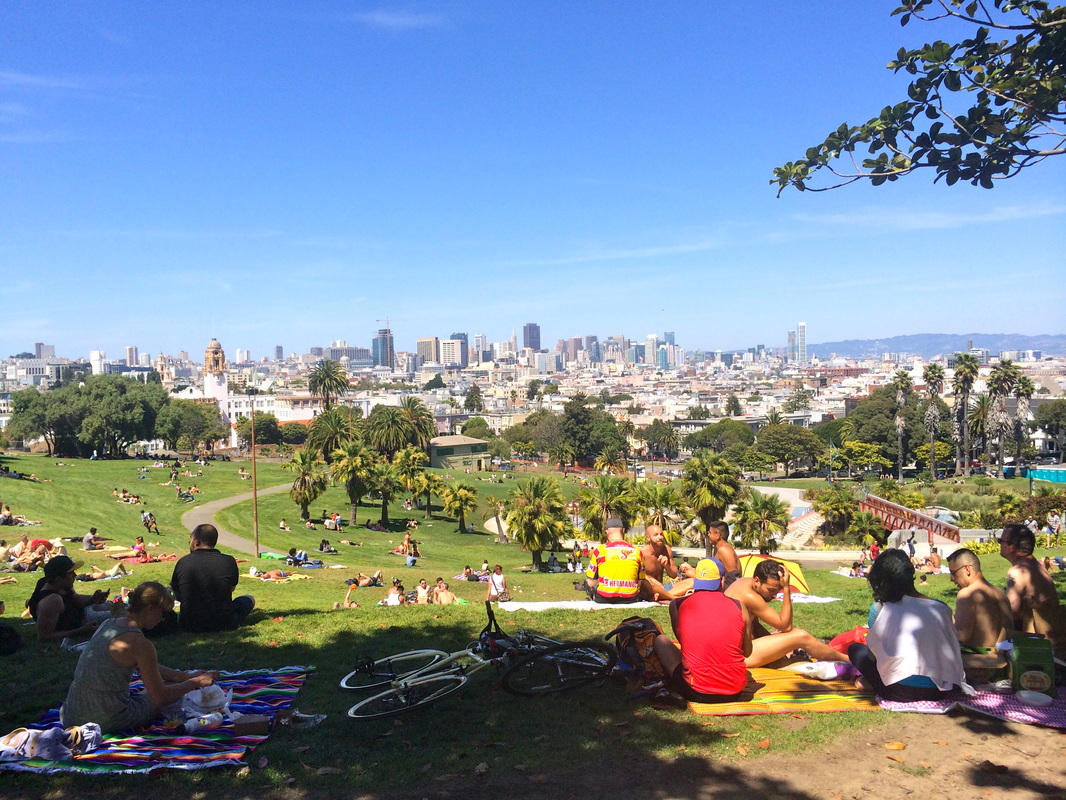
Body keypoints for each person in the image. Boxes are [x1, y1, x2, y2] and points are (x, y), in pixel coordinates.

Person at [60, 581, 217, 733]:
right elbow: (160, 696)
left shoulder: (108, 624)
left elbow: (145, 665)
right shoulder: (140, 643)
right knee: (172, 694)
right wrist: (195, 682)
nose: (163, 619)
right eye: (163, 613)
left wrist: (182, 676)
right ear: (150, 609)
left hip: (71, 714)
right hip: (105, 719)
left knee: (171, 683)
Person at [848, 549, 965, 701]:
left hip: (899, 690)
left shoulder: (880, 610)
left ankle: (870, 682)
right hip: (944, 688)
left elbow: (873, 657)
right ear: (911, 574)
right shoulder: (941, 608)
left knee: (856, 650)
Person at [652, 558, 752, 702]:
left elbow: (684, 641)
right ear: (722, 581)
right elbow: (747, 652)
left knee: (661, 641)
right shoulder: (739, 606)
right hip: (735, 691)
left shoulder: (677, 604)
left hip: (696, 690)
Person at [725, 560, 850, 667]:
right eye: (771, 590)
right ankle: (848, 660)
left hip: (734, 651)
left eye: (778, 590)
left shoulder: (745, 582)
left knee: (788, 643)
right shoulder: (749, 596)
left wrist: (779, 645)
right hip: (737, 657)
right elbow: (786, 626)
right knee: (801, 636)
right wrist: (786, 589)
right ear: (757, 581)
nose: (774, 595)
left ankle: (838, 658)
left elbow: (754, 625)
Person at [170, 524, 255, 633]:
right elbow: (231, 588)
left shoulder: (183, 562)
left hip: (189, 624)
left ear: (197, 541)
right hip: (223, 623)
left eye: (191, 538)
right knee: (248, 599)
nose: (189, 542)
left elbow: (177, 594)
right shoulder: (229, 561)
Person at [999, 523, 1066, 655]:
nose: (999, 543)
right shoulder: (1037, 566)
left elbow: (1013, 614)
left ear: (1012, 547)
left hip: (1037, 645)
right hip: (1053, 638)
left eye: (1001, 541)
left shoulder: (1018, 572)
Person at [27, 555, 114, 643]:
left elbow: (75, 598)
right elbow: (44, 636)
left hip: (81, 611)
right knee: (119, 614)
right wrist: (82, 630)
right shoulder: (51, 601)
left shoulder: (55, 583)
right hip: (82, 621)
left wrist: (92, 599)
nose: (75, 575)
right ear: (59, 578)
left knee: (113, 605)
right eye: (71, 573)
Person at [946, 548, 1013, 651]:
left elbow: (961, 636)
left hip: (980, 661)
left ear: (967, 569)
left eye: (953, 573)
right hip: (1004, 660)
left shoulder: (968, 594)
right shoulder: (1000, 593)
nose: (951, 579)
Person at [584, 518, 646, 604]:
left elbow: (591, 582)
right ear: (623, 530)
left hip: (605, 598)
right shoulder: (637, 551)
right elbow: (640, 581)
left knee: (589, 584)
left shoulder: (600, 551)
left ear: (607, 532)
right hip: (631, 598)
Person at [706, 521, 740, 585]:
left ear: (718, 535)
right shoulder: (718, 549)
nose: (708, 535)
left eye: (710, 532)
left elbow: (734, 578)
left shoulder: (724, 550)